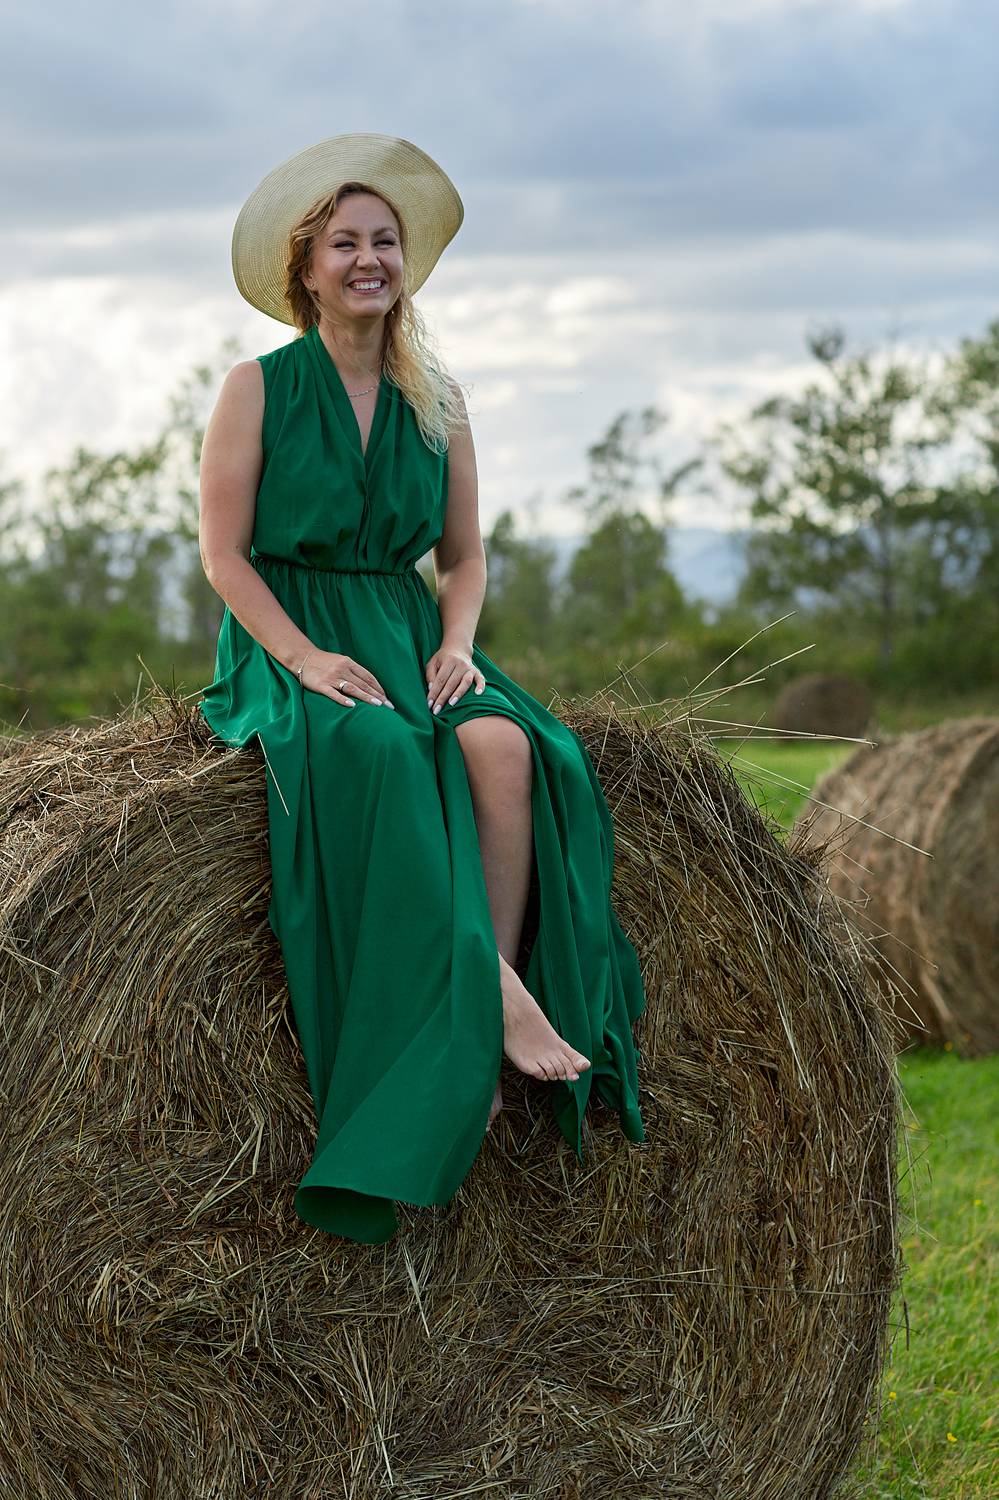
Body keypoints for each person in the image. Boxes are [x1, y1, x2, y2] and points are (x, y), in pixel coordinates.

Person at [197, 133, 646, 1245]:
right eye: (345, 244)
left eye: (384, 242)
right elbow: (223, 555)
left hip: (409, 634)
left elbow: (466, 556)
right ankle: (488, 997)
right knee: (389, 754)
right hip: (291, 635)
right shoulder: (256, 388)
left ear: (405, 264)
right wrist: (303, 659)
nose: (368, 259)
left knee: (508, 748)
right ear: (307, 271)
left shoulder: (437, 396)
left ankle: (476, 995)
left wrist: (458, 644)